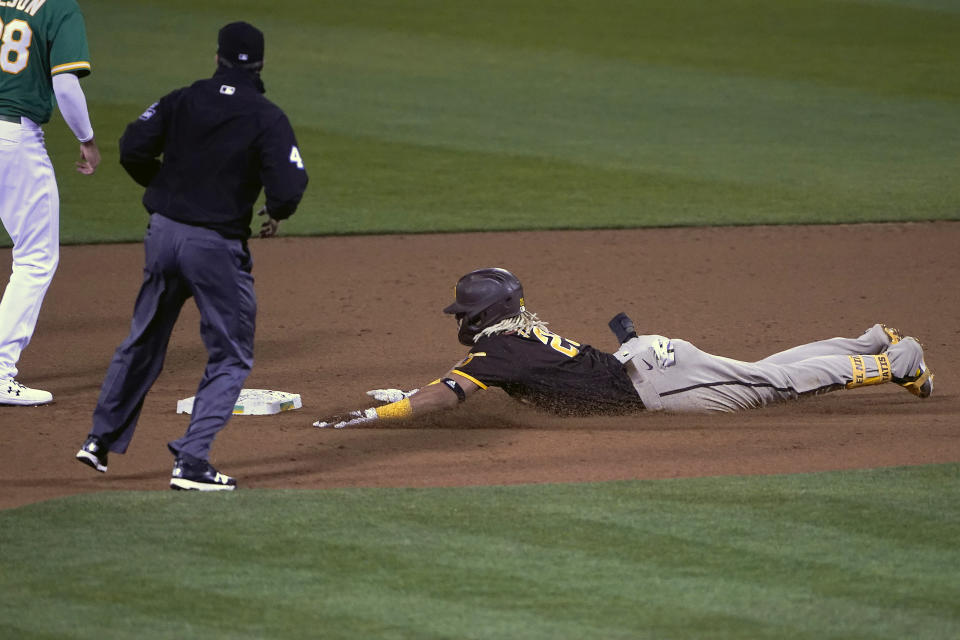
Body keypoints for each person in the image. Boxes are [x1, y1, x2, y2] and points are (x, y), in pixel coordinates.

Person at [75, 21, 308, 491]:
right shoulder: (267, 116)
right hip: (214, 248)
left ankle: (98, 440)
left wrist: (165, 189)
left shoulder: (182, 98)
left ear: (216, 56)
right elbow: (289, 183)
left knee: (143, 339)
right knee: (230, 356)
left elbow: (132, 147)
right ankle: (192, 461)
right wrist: (276, 212)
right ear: (261, 63)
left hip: (162, 236)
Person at [313, 267, 933, 428]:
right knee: (765, 371)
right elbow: (451, 385)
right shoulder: (513, 335)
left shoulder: (496, 354)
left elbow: (445, 395)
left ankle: (893, 361)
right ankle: (874, 340)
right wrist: (397, 399)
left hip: (656, 384)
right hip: (649, 363)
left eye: (465, 312)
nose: (461, 321)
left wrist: (377, 414)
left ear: (483, 315)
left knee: (773, 386)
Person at [0, 0, 100, 405]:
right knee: (36, 258)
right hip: (13, 140)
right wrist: (87, 139)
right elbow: (65, 85)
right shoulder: (59, 7)